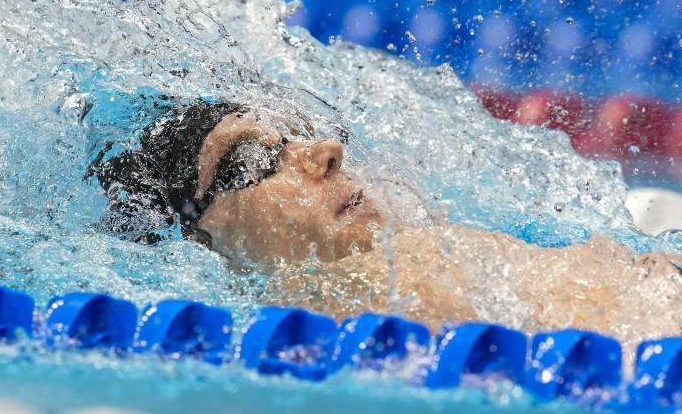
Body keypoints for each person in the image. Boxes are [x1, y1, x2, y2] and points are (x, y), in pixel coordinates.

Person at [91, 99, 682, 343]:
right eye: (254, 159)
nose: (324, 151)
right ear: (200, 236)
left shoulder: (392, 267)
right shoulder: (358, 286)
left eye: (302, 131)